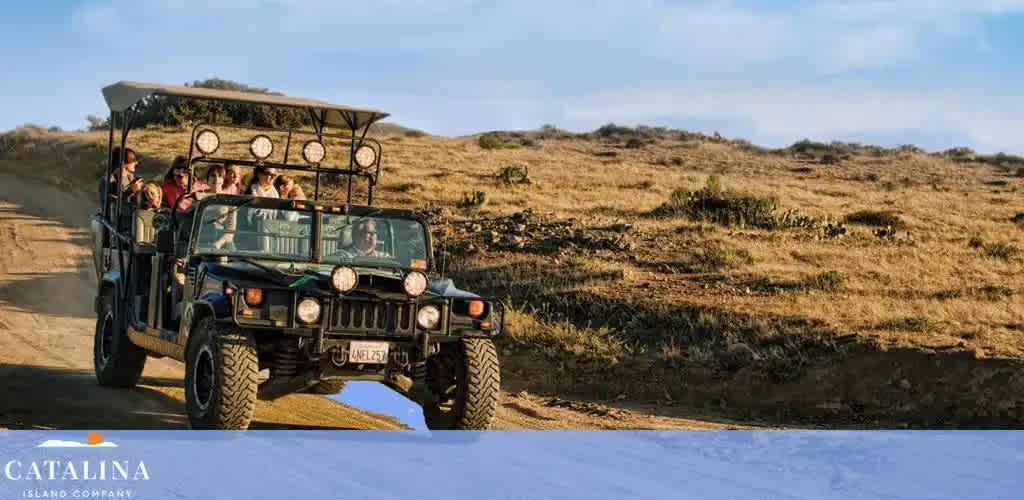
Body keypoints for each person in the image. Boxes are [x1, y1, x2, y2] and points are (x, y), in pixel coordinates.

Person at [201, 165, 236, 250]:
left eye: (220, 176)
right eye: (213, 176)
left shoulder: (230, 200)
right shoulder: (199, 197)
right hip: (201, 239)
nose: (216, 179)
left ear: (223, 179)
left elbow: (231, 230)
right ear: (207, 179)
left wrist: (219, 243)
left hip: (223, 240)